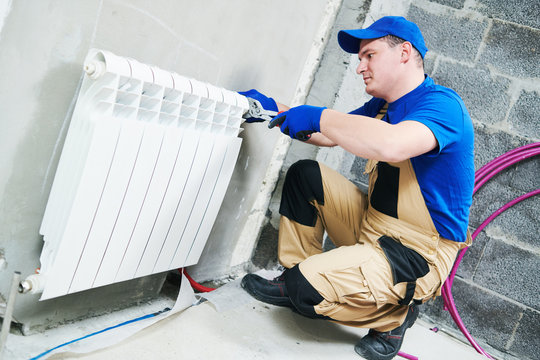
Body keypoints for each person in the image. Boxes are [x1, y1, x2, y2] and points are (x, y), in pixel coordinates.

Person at [240, 16, 474, 360]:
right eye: (359, 58)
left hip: (417, 255)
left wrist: (319, 115)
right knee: (307, 175)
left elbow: (392, 145)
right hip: (374, 226)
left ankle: (395, 317)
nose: (360, 67)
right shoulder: (382, 106)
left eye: (369, 55)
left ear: (404, 53)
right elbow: (327, 133)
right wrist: (273, 109)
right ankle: (295, 270)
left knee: (304, 293)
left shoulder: (442, 106)